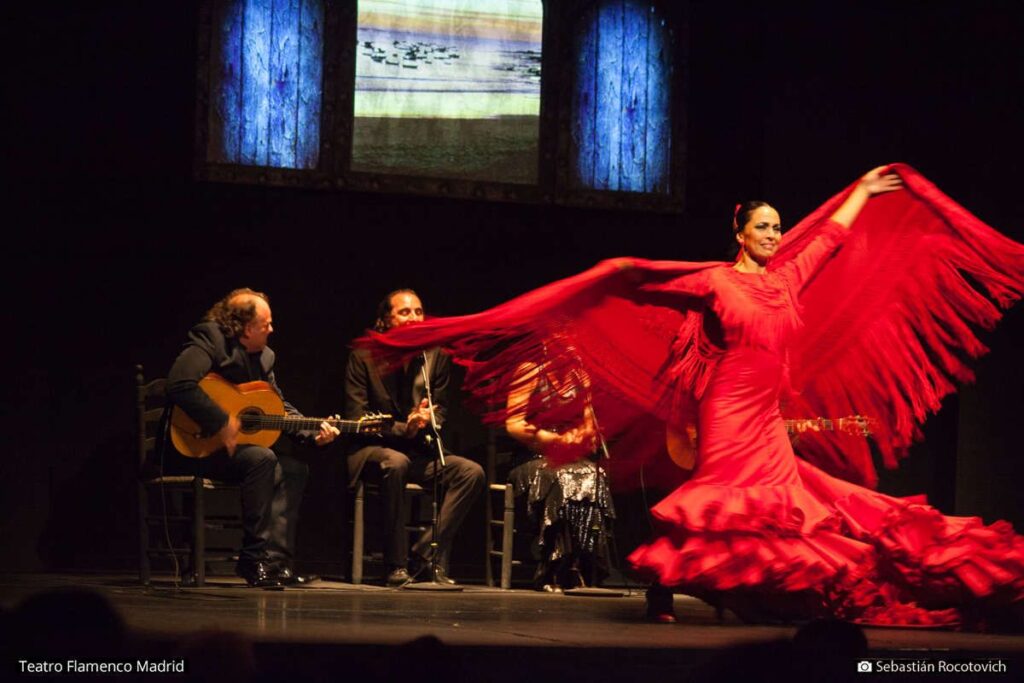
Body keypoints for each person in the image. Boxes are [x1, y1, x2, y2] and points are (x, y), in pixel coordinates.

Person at [360, 164, 1024, 627]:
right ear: (740, 232)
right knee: (719, 495)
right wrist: (613, 275)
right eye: (763, 227)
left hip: (767, 413)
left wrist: (864, 188)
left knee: (784, 505)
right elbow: (644, 285)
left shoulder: (790, 277)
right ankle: (663, 585)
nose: (773, 235)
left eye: (777, 227)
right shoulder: (714, 282)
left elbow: (832, 236)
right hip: (727, 407)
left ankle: (752, 593)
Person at [166, 288, 339, 588]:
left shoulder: (265, 357)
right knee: (263, 459)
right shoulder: (209, 338)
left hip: (232, 452)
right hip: (195, 443)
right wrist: (221, 421)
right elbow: (179, 384)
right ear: (246, 328)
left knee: (294, 469)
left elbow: (277, 406)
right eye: (266, 323)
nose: (272, 329)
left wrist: (313, 433)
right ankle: (252, 559)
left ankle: (276, 563)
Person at [343, 289, 485, 586]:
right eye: (404, 312)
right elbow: (356, 416)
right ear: (386, 319)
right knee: (395, 462)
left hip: (418, 450)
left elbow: (442, 407)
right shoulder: (363, 356)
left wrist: (428, 418)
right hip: (375, 448)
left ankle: (424, 553)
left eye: (418, 312)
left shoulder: (433, 354)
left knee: (471, 472)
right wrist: (400, 428)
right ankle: (395, 565)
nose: (414, 318)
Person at [504, 352, 615, 591]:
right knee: (562, 477)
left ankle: (583, 567)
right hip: (534, 456)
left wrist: (582, 437)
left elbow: (589, 426)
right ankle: (554, 569)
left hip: (570, 457)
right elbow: (514, 425)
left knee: (594, 476)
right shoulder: (530, 370)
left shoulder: (579, 376)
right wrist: (553, 439)